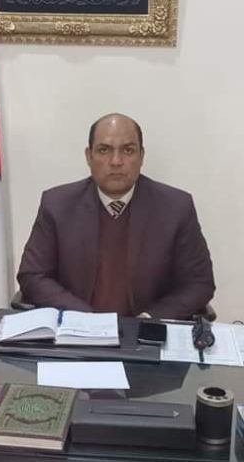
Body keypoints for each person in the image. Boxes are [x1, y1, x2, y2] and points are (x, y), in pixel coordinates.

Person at [16, 113, 215, 319]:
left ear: (141, 156)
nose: (116, 161)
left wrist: (151, 319)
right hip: (78, 329)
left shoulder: (176, 208)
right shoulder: (57, 205)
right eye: (104, 150)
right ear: (89, 156)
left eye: (128, 150)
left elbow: (199, 282)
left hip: (145, 332)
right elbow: (33, 275)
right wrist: (86, 318)